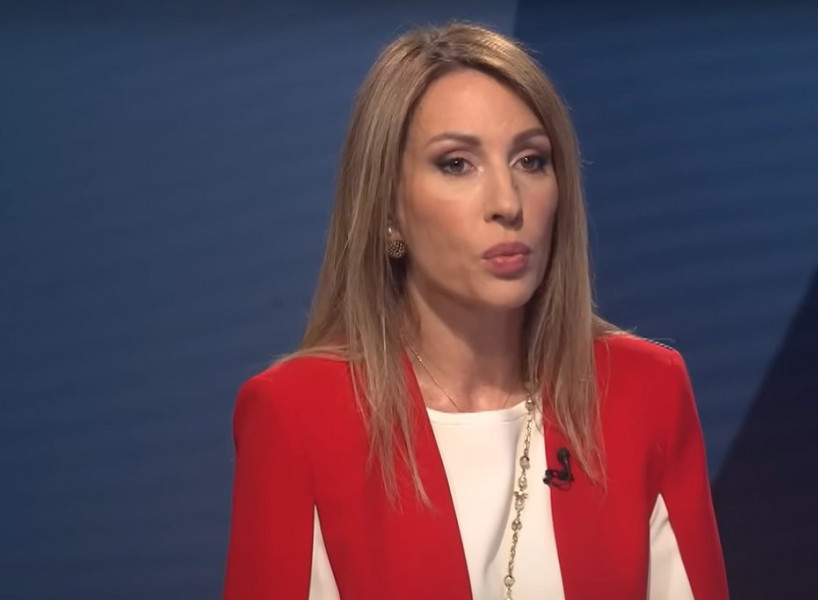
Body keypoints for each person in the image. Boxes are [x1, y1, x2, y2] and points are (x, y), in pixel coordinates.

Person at [222, 21, 728, 600]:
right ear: (388, 211)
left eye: (530, 161)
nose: (508, 203)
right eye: (457, 164)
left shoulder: (644, 391)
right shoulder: (296, 416)